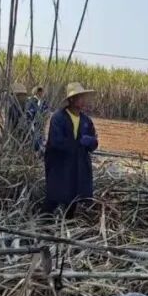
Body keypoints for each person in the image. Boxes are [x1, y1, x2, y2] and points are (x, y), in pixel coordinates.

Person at [44, 82, 98, 215]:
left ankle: (68, 220)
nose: (83, 100)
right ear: (72, 99)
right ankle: (45, 220)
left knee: (74, 196)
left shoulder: (86, 121)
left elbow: (93, 144)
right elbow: (56, 142)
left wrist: (92, 142)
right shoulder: (58, 118)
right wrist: (78, 143)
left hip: (78, 165)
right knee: (54, 195)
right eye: (80, 97)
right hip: (60, 164)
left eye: (84, 97)